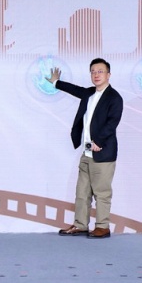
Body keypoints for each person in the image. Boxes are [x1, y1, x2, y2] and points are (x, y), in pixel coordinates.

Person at [46, 58, 124, 237]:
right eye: (93, 71)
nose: (96, 75)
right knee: (82, 193)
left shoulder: (114, 97)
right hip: (86, 152)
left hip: (102, 153)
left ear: (109, 75)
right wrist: (56, 82)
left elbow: (112, 123)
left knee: (102, 193)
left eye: (100, 71)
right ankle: (80, 225)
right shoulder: (89, 93)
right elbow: (74, 89)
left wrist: (99, 142)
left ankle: (102, 226)